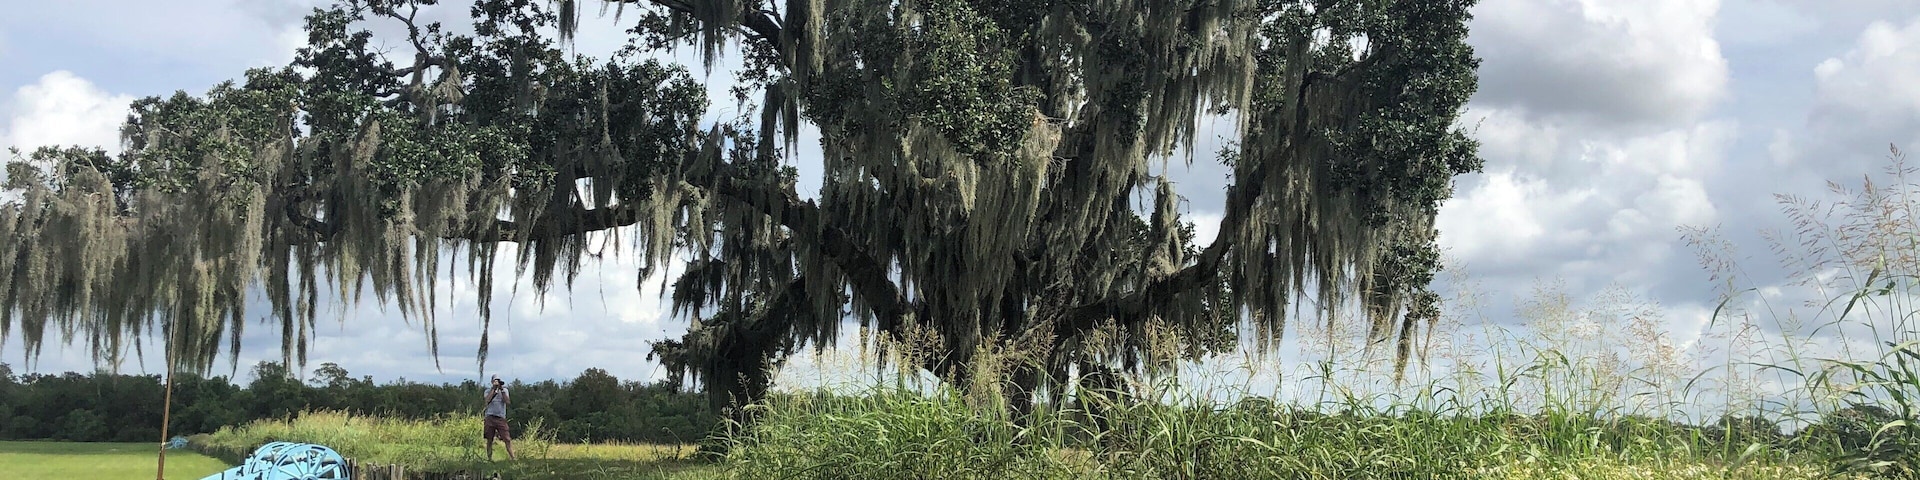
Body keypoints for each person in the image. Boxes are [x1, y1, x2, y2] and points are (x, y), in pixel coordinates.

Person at [482, 375, 517, 461]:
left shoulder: (505, 390)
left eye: (498, 381)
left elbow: (507, 401)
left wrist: (501, 389)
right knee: (489, 439)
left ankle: (513, 458)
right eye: (495, 381)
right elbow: (487, 400)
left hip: (500, 418)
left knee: (507, 439)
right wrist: (493, 389)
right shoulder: (487, 391)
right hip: (490, 417)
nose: (497, 383)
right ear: (492, 382)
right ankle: (489, 458)